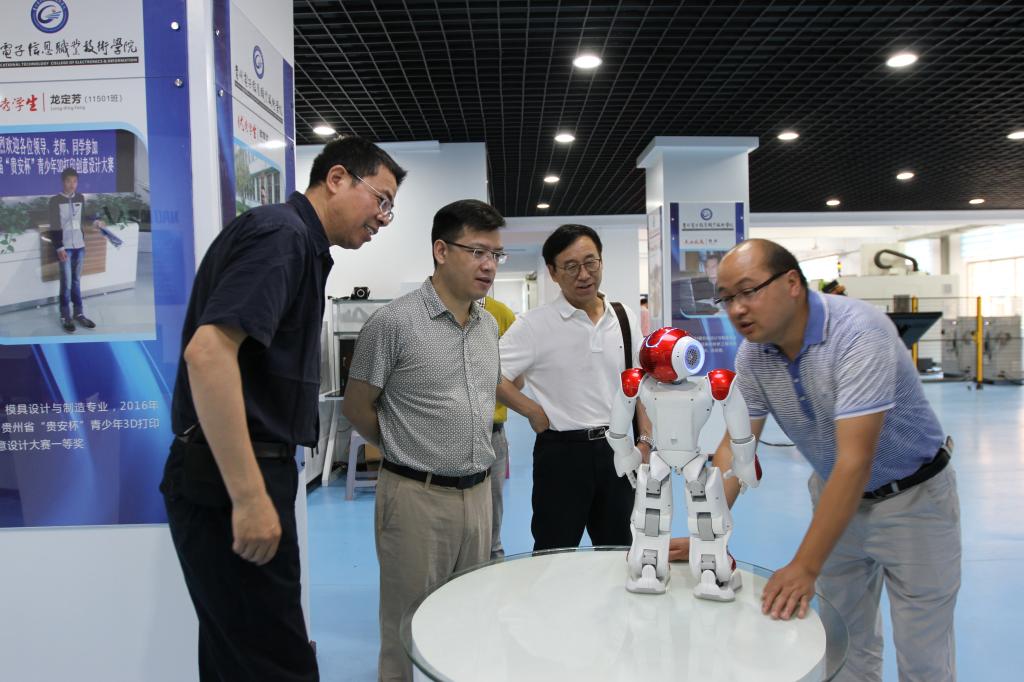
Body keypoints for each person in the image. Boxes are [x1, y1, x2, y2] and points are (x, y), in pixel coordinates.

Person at [160, 135, 406, 682]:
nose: (384, 219)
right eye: (381, 200)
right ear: (337, 179)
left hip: (236, 469)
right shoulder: (283, 236)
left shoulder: (299, 244)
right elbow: (209, 353)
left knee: (238, 655)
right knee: (275, 661)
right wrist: (249, 497)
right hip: (230, 474)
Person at [677, 238, 960, 682]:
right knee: (845, 645)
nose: (736, 309)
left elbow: (855, 461)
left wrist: (805, 565)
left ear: (792, 283)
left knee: (923, 656)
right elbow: (736, 448)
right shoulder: (754, 355)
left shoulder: (858, 334)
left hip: (913, 501)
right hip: (835, 498)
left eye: (748, 291)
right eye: (726, 298)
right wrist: (706, 534)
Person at [343, 199, 506, 682]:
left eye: (496, 254)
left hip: (479, 495)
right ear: (441, 250)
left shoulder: (488, 325)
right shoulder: (393, 324)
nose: (489, 265)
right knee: (405, 626)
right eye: (477, 251)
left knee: (468, 617)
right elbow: (357, 407)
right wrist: (404, 449)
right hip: (416, 497)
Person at [497, 224, 653, 551]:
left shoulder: (623, 317)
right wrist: (531, 410)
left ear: (601, 261)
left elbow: (637, 381)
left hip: (618, 450)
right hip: (561, 454)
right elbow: (489, 373)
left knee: (619, 550)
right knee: (554, 551)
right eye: (570, 267)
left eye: (590, 262)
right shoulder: (534, 325)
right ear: (553, 272)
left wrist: (645, 442)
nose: (584, 275)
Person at [50, 167, 106, 333]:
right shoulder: (54, 201)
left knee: (76, 281)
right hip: (65, 248)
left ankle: (79, 313)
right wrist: (59, 247)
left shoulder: (80, 198)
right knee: (66, 283)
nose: (72, 184)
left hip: (80, 247)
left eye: (75, 181)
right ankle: (65, 315)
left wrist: (96, 222)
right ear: (63, 182)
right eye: (69, 181)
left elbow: (84, 218)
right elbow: (54, 226)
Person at [483, 295, 517, 559]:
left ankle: (493, 558)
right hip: (443, 432)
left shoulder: (501, 314)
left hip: (491, 430)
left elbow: (518, 379)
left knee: (492, 507)